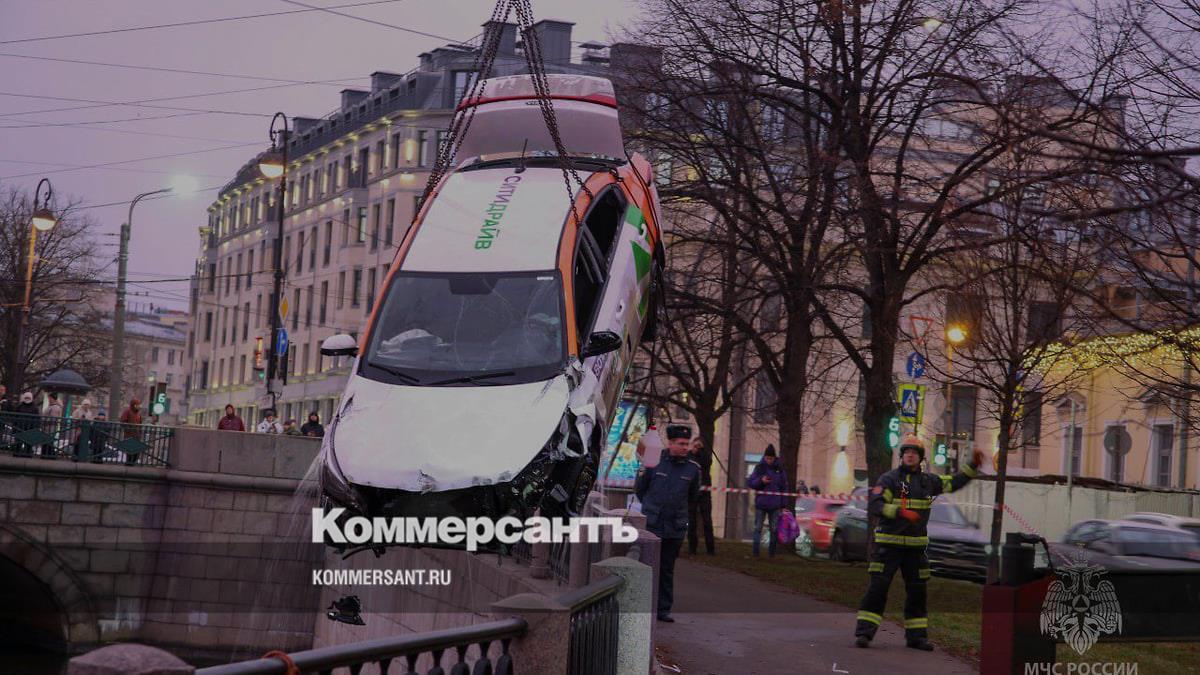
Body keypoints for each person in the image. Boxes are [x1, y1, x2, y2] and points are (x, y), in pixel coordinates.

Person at [854, 434, 984, 652]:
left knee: (917, 592)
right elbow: (876, 505)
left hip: (915, 549)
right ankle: (864, 633)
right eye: (906, 452)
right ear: (901, 455)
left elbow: (954, 482)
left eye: (914, 452)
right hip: (888, 547)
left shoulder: (928, 482)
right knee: (878, 589)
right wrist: (900, 512)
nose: (910, 455)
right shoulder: (889, 479)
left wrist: (973, 466)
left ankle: (916, 637)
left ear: (921, 457)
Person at [635, 424, 701, 623]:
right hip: (653, 523)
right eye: (681, 443)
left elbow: (693, 497)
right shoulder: (654, 462)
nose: (685, 447)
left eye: (687, 444)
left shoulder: (693, 468)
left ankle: (663, 609)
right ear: (670, 443)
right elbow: (641, 489)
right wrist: (652, 508)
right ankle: (643, 606)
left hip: (675, 527)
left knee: (666, 569)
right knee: (647, 565)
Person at [748, 444, 789, 557]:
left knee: (774, 529)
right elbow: (751, 482)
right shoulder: (759, 468)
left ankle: (772, 554)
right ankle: (755, 553)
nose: (769, 460)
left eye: (771, 458)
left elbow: (784, 487)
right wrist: (761, 481)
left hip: (775, 505)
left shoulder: (779, 470)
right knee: (758, 528)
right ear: (764, 457)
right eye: (767, 458)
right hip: (761, 504)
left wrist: (783, 505)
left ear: (774, 458)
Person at [687, 435, 716, 555]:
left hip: (704, 492)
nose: (697, 448)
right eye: (695, 445)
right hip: (692, 492)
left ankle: (710, 549)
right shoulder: (689, 456)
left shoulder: (705, 456)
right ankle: (692, 548)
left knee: (707, 521)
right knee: (691, 521)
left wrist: (700, 451)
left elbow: (707, 463)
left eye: (699, 446)